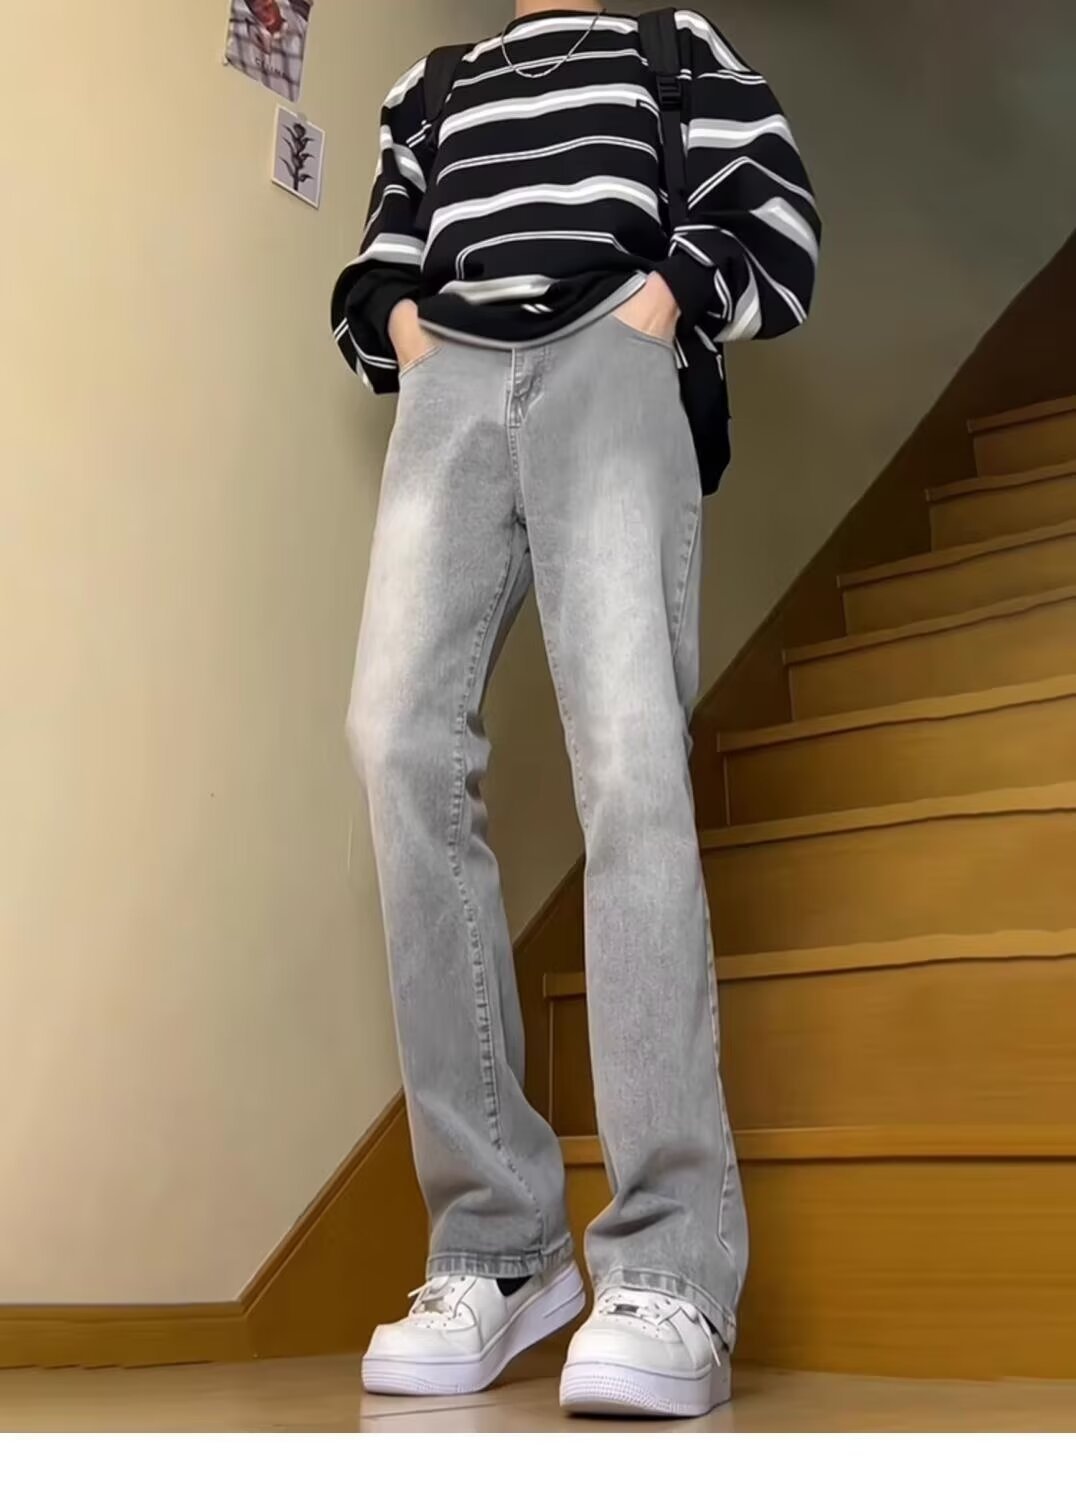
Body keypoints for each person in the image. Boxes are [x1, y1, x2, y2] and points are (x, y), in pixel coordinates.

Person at [330, 0, 819, 1420]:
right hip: (449, 383)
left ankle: (669, 1266)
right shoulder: (430, 88)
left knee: (628, 762)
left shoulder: (673, 49)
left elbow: (779, 222)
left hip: (615, 353)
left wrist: (666, 299)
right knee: (397, 743)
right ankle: (498, 1244)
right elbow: (377, 262)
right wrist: (407, 329)